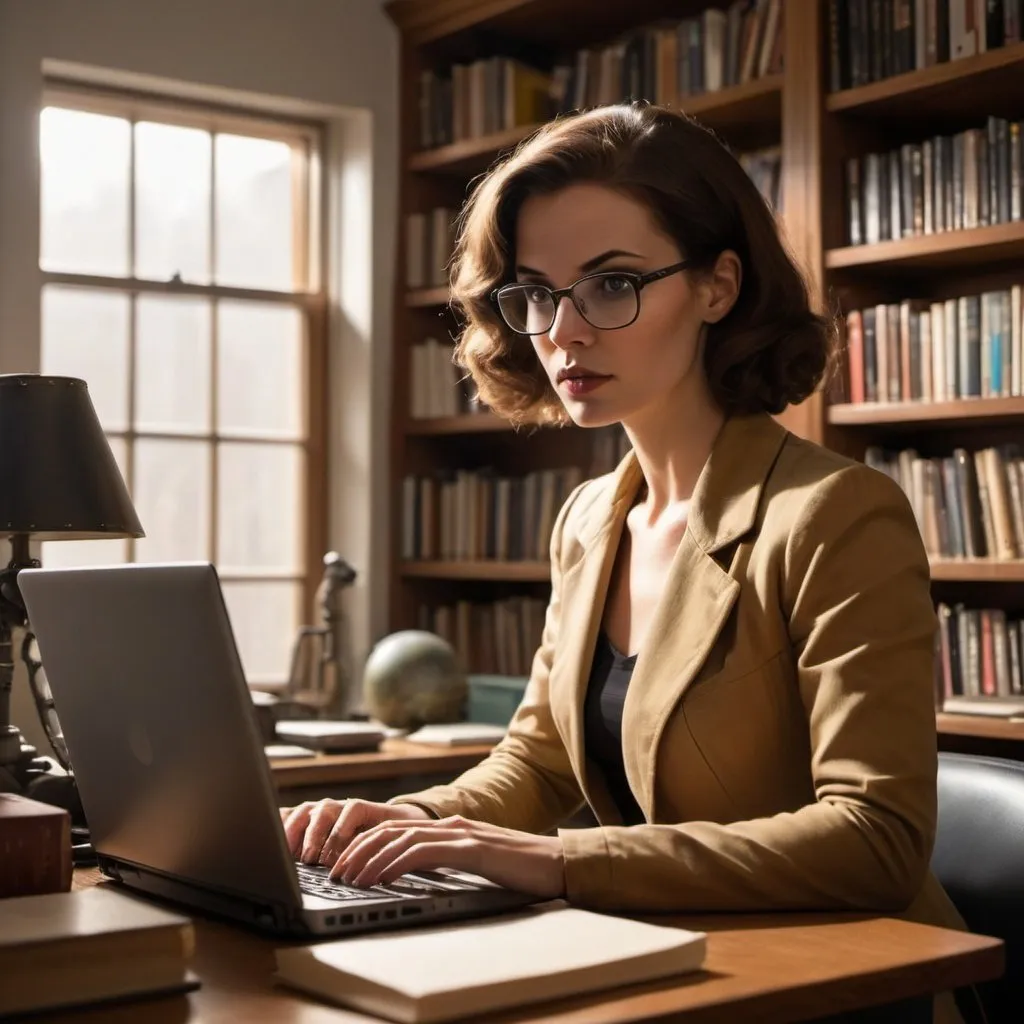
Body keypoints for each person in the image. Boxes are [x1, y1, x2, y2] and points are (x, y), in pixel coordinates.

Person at [282, 103, 966, 1016]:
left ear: (718, 287)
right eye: (534, 294)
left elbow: (875, 840)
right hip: (673, 961)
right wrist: (414, 821)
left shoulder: (836, 516)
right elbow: (538, 764)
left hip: (840, 985)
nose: (563, 331)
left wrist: (558, 861)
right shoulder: (589, 517)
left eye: (611, 285)